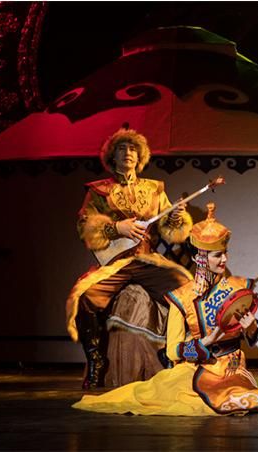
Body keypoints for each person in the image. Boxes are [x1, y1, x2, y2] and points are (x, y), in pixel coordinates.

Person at [72, 203, 258, 416]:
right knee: (177, 398)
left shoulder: (238, 286)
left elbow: (250, 339)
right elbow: (173, 351)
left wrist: (251, 328)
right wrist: (205, 342)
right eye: (217, 255)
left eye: (225, 253)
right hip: (199, 368)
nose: (224, 260)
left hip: (232, 368)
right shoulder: (182, 297)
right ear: (199, 258)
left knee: (253, 400)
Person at [66, 126, 193, 389]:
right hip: (117, 263)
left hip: (146, 260)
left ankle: (177, 354)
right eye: (122, 148)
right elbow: (84, 225)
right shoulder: (99, 191)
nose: (128, 153)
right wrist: (116, 228)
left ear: (140, 156)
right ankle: (96, 361)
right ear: (112, 156)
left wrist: (175, 216)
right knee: (86, 298)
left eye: (133, 148)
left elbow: (169, 227)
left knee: (186, 290)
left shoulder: (154, 188)